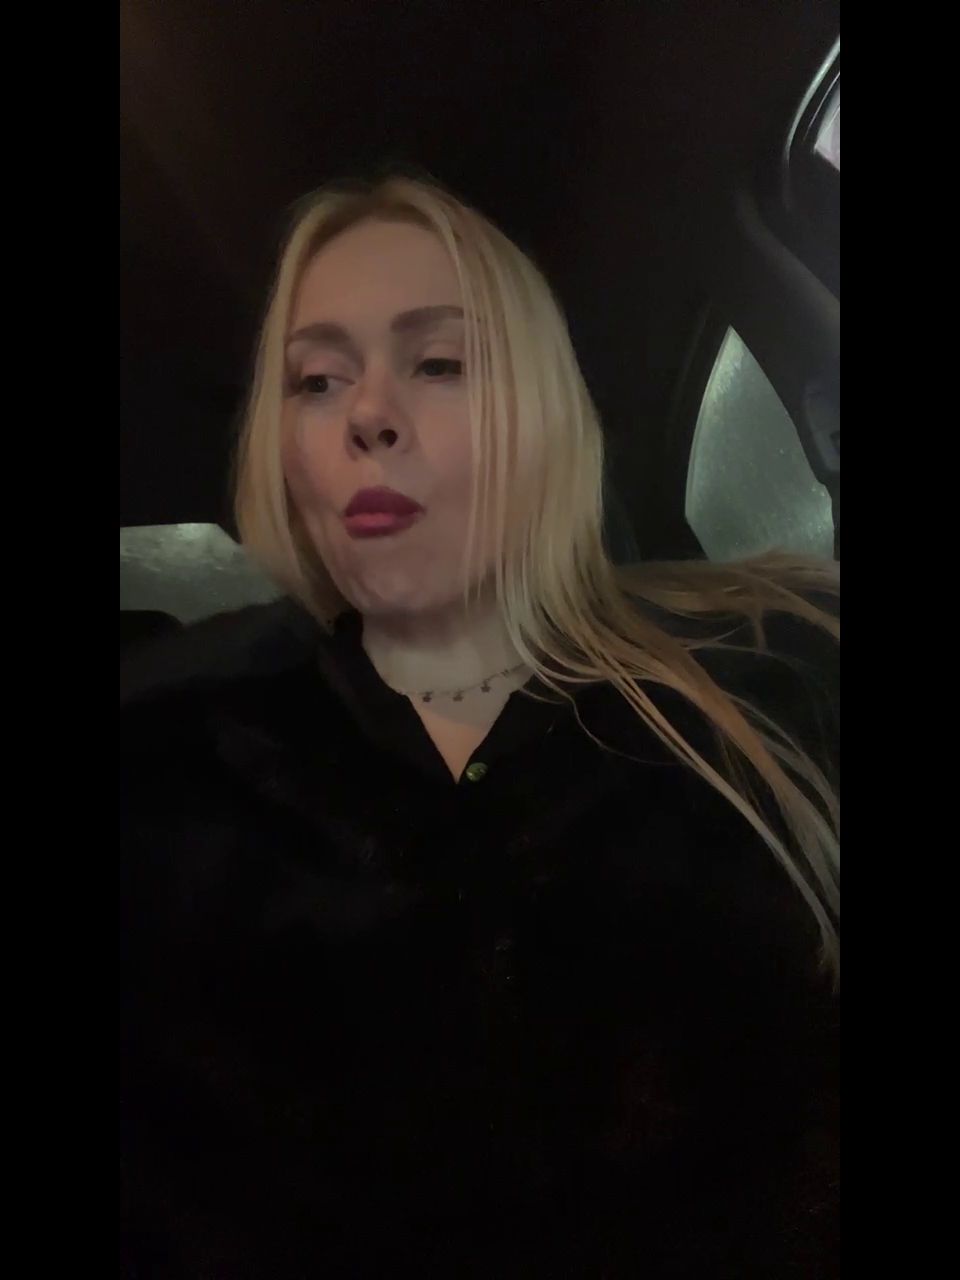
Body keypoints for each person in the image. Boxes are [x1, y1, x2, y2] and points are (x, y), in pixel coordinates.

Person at [120, 174, 839, 1279]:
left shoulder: (784, 663)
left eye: (440, 361)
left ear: (541, 410)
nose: (367, 414)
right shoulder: (164, 768)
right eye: (316, 379)